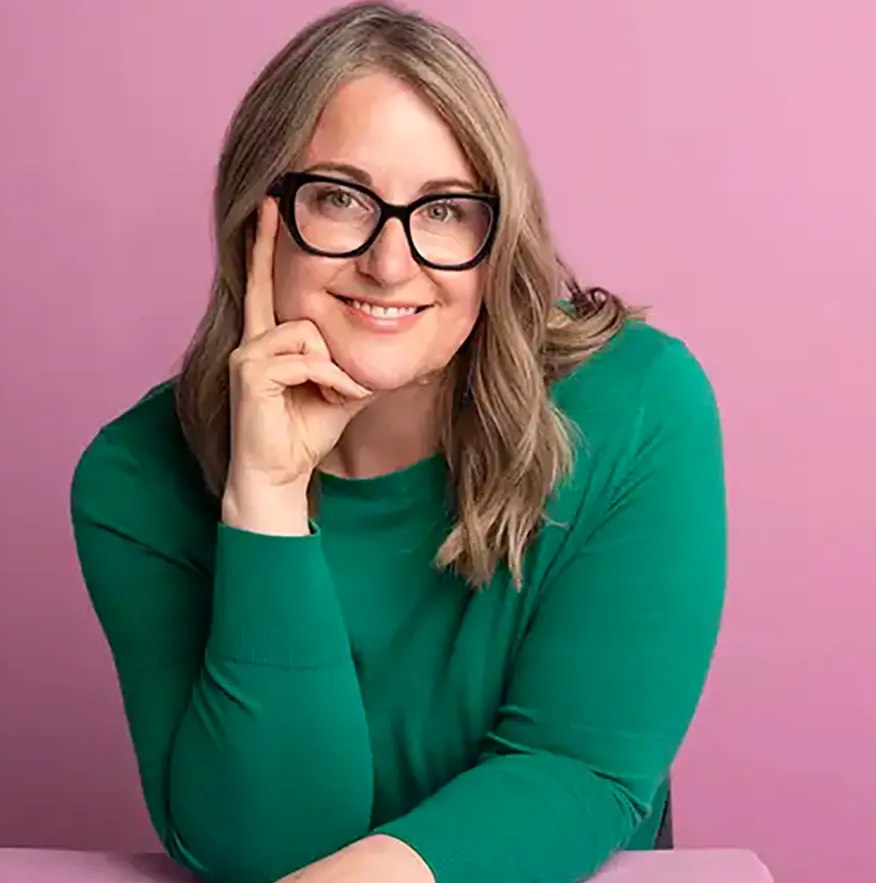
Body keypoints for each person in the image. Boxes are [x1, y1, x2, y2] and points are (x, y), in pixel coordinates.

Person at [69, 3, 726, 882]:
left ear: (498, 239)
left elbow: (579, 771)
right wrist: (264, 497)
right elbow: (263, 847)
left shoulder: (638, 405)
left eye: (447, 210)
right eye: (340, 198)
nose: (391, 261)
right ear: (254, 216)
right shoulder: (135, 482)